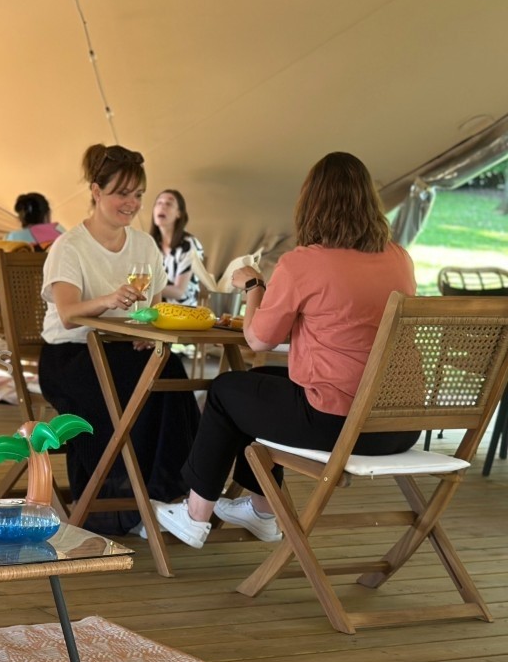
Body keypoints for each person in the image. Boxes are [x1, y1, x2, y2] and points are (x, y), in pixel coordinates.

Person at [153, 152, 419, 548]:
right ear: (369, 202)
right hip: (399, 426)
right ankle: (262, 510)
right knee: (255, 384)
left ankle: (195, 515)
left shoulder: (304, 263)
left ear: (311, 204)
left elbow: (259, 339)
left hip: (339, 423)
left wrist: (253, 286)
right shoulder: (400, 259)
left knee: (227, 391)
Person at [37, 144, 201, 535]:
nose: (131, 203)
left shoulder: (143, 245)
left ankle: (167, 495)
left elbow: (155, 308)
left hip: (124, 350)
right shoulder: (70, 246)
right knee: (121, 382)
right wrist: (110, 300)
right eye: (121, 194)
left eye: (138, 195)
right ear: (96, 191)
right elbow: (68, 312)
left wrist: (148, 335)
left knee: (170, 372)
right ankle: (116, 505)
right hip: (71, 355)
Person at [151, 189, 207, 306]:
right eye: (159, 203)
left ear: (179, 213)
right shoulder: (151, 243)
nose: (162, 207)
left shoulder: (189, 244)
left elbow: (179, 292)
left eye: (169, 203)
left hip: (183, 311)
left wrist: (143, 288)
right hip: (155, 308)